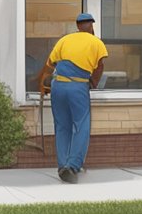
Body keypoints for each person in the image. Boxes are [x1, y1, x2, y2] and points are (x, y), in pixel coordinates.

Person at [36, 12, 107, 183]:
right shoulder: (96, 42)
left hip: (57, 85)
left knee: (62, 126)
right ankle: (73, 166)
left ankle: (62, 165)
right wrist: (93, 83)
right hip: (77, 86)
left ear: (77, 26)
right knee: (81, 125)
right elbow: (100, 66)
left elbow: (49, 64)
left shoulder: (64, 40)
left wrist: (42, 84)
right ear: (91, 25)